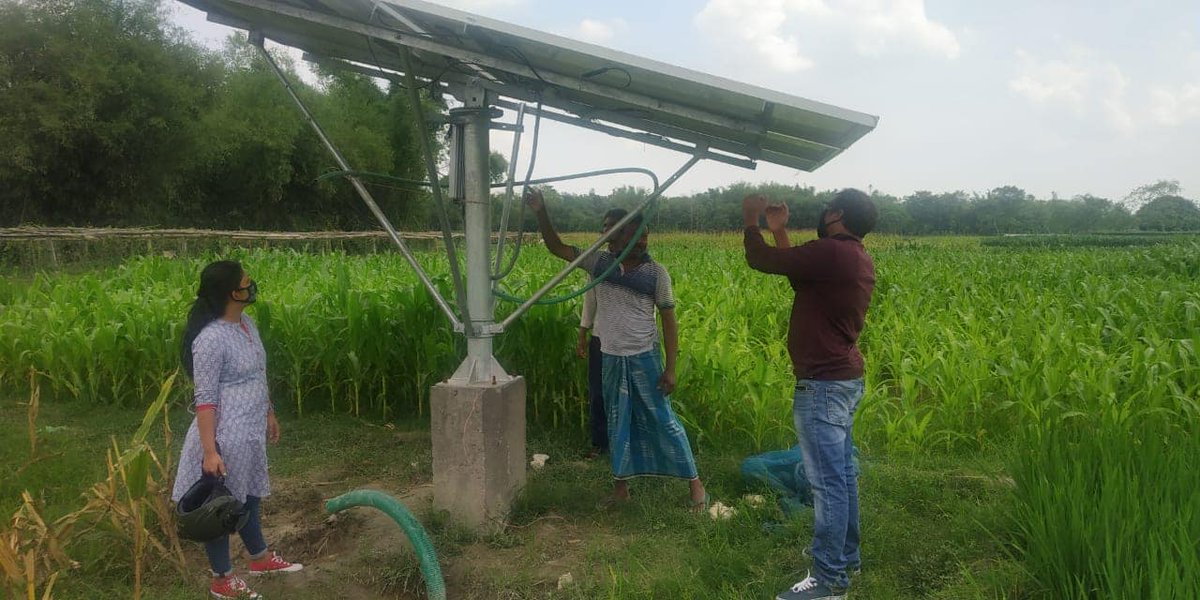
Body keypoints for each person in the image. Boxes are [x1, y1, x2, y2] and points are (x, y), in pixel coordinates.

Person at [527, 190, 707, 509]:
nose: (642, 241)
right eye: (634, 235)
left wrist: (670, 368)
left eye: (644, 235)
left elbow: (669, 322)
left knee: (663, 419)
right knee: (617, 421)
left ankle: (696, 487)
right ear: (618, 236)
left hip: (644, 357)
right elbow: (557, 247)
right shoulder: (599, 263)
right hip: (611, 356)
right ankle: (621, 490)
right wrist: (541, 211)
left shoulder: (656, 273)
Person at [742, 191, 878, 600]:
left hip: (823, 386)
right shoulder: (850, 255)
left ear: (837, 214)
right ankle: (846, 557)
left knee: (827, 483)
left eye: (826, 208)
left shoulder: (832, 252)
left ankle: (829, 580)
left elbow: (762, 260)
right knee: (842, 477)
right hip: (841, 381)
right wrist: (780, 231)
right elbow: (799, 275)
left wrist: (751, 220)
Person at [172, 260, 302, 600]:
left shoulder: (247, 325)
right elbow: (205, 400)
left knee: (250, 495)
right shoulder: (211, 339)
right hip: (226, 435)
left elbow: (258, 373)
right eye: (246, 282)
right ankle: (222, 580)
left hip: (250, 430)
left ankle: (259, 558)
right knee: (221, 506)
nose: (251, 286)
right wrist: (210, 451)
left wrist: (269, 412)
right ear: (232, 293)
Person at [577, 208, 630, 459]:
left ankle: (628, 442)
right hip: (600, 338)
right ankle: (600, 443)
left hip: (629, 342)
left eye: (610, 226)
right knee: (598, 392)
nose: (605, 230)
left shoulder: (636, 263)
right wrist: (583, 332)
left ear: (625, 229)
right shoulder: (598, 262)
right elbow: (590, 299)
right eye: (604, 226)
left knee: (628, 393)